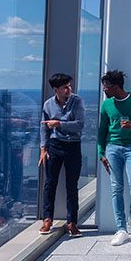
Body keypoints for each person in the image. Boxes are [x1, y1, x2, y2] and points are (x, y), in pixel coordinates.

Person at [96, 69, 131, 246]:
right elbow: (102, 131)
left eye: (106, 87)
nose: (104, 90)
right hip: (112, 148)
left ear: (115, 87)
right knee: (116, 187)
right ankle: (121, 228)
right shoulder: (106, 105)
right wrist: (101, 152)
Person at [39, 73, 85, 237]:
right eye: (65, 87)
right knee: (50, 183)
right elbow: (44, 127)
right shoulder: (48, 104)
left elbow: (79, 125)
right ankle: (47, 219)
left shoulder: (77, 101)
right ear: (56, 89)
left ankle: (72, 222)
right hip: (55, 146)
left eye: (69, 86)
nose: (69, 89)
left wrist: (59, 124)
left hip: (73, 146)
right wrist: (43, 149)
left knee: (72, 185)